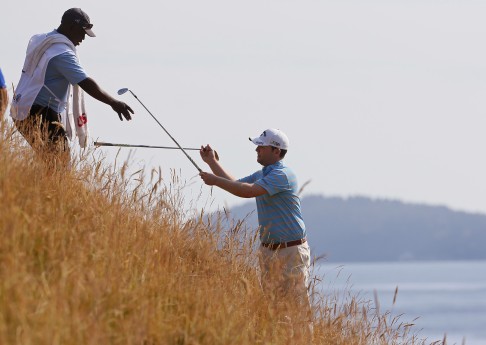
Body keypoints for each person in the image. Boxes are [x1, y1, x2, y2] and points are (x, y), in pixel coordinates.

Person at [199, 128, 312, 325]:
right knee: (273, 309)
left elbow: (248, 192)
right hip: (269, 250)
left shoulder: (282, 175)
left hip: (290, 251)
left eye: (261, 146)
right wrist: (211, 161)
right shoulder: (264, 173)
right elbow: (235, 184)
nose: (257, 150)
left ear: (276, 151)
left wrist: (215, 181)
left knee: (296, 309)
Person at [10, 8, 133, 161]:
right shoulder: (62, 53)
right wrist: (113, 102)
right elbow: (86, 82)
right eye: (82, 32)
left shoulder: (43, 40)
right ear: (71, 27)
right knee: (59, 164)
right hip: (40, 113)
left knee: (50, 161)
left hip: (24, 107)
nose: (84, 38)